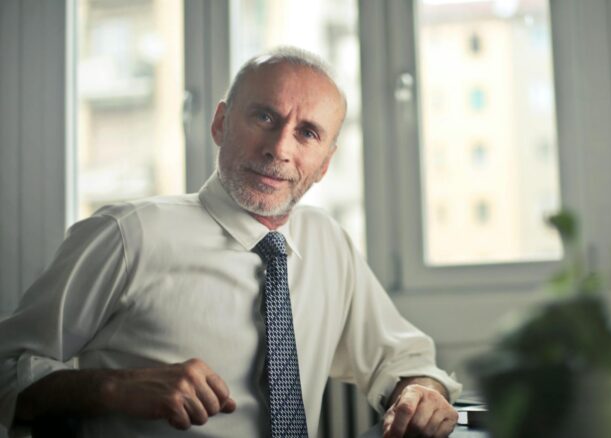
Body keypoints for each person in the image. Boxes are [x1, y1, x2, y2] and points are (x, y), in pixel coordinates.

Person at [0, 47, 461, 437]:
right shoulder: (127, 236)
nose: (279, 148)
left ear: (323, 164)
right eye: (264, 116)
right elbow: (6, 369)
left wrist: (421, 392)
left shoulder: (328, 243)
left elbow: (403, 360)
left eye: (307, 133)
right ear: (220, 122)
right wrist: (115, 387)